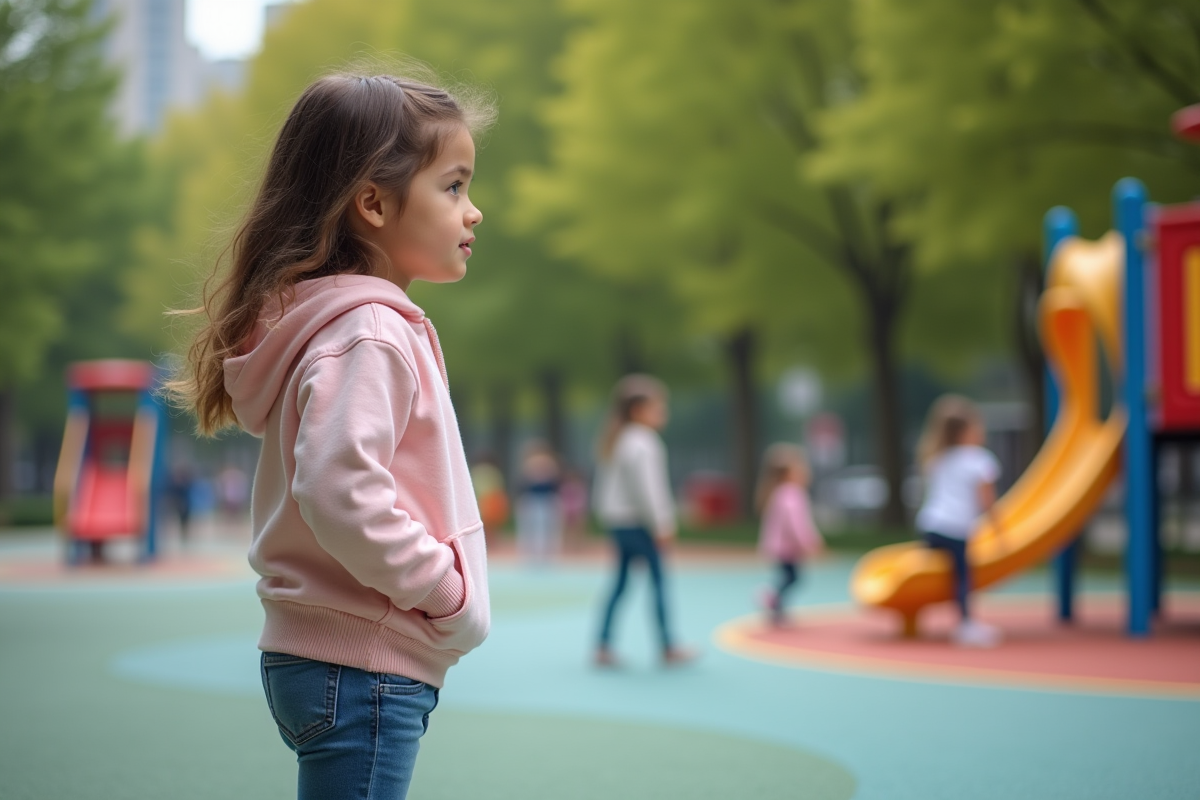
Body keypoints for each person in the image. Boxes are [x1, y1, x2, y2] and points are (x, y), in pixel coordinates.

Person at [167, 72, 494, 799]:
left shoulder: (340, 327)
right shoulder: (370, 332)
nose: (474, 211)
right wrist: (442, 591)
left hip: (333, 658)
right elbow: (340, 489)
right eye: (453, 187)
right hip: (363, 662)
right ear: (373, 203)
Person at [593, 374, 696, 667]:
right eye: (658, 407)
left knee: (621, 583)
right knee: (659, 580)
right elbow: (650, 489)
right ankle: (668, 645)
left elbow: (606, 489)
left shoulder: (618, 440)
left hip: (619, 523)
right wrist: (662, 523)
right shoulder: (644, 442)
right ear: (638, 410)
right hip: (639, 523)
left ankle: (603, 644)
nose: (664, 413)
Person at [914, 394, 1003, 648]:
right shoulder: (979, 460)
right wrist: (998, 529)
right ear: (965, 431)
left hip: (930, 524)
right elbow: (987, 501)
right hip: (956, 527)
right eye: (977, 426)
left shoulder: (937, 457)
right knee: (963, 576)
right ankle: (965, 624)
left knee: (936, 572)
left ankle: (919, 610)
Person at [755, 444, 825, 626]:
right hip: (787, 547)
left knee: (789, 577)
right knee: (792, 577)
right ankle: (771, 597)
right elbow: (796, 524)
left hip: (780, 546)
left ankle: (777, 608)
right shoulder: (791, 494)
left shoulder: (779, 492)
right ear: (789, 474)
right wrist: (809, 542)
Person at [514, 439, 562, 564]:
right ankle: (531, 554)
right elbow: (524, 483)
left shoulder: (549, 463)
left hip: (546, 499)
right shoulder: (530, 463)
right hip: (532, 499)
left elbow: (555, 482)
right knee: (530, 528)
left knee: (548, 528)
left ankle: (546, 555)